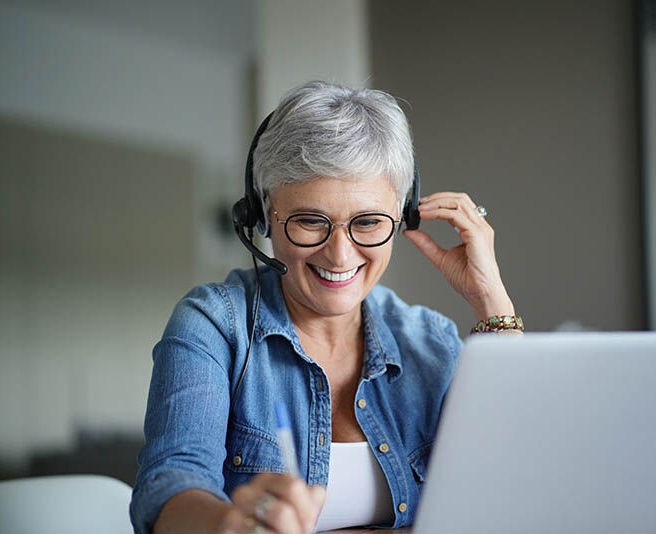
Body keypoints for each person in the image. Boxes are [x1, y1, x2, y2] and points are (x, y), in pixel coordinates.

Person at [130, 81, 521, 534]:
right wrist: (229, 526)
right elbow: (169, 489)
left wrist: (491, 300)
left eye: (369, 222)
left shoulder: (430, 342)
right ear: (262, 217)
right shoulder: (214, 325)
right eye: (310, 221)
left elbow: (509, 481)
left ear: (401, 217)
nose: (339, 255)